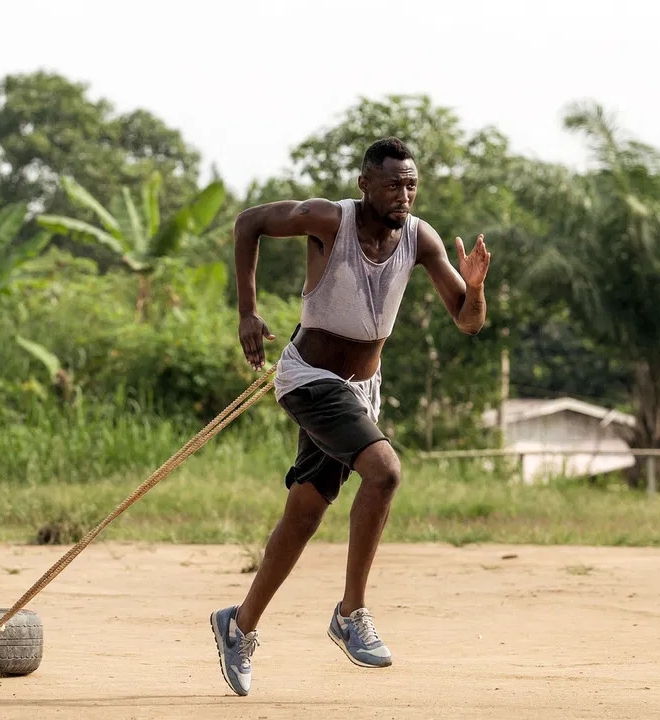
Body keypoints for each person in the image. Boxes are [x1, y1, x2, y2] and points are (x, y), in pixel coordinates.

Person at [209, 137, 491, 696]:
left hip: (361, 392)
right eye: (393, 184)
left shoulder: (421, 238)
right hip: (309, 380)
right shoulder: (328, 221)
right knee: (384, 472)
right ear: (365, 184)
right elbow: (248, 223)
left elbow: (468, 321)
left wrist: (476, 287)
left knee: (305, 513)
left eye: (411, 185)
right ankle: (350, 613)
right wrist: (247, 311)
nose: (404, 194)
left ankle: (238, 626)